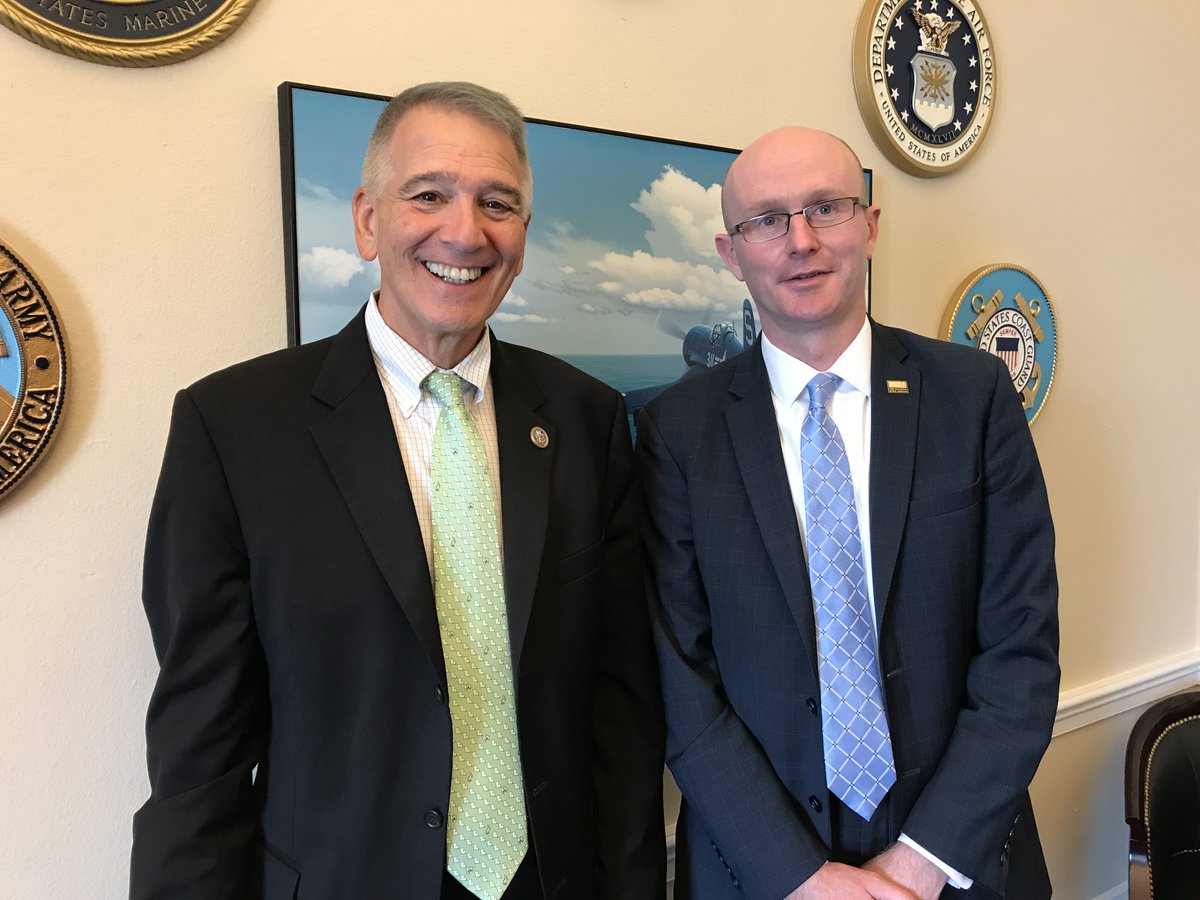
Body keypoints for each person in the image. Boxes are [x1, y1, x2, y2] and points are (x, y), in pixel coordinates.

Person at [131, 82, 666, 900]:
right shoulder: (233, 429)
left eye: (498, 203)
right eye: (428, 195)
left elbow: (620, 709)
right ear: (366, 220)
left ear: (523, 235)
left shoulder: (587, 418)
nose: (465, 231)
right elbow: (199, 750)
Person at [636, 126, 1058, 899]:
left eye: (825, 208)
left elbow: (1021, 652)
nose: (800, 241)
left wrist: (919, 865)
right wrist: (800, 877)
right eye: (767, 220)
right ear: (732, 253)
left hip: (960, 866)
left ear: (869, 225)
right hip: (758, 874)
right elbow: (681, 681)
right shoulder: (677, 432)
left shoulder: (973, 398)